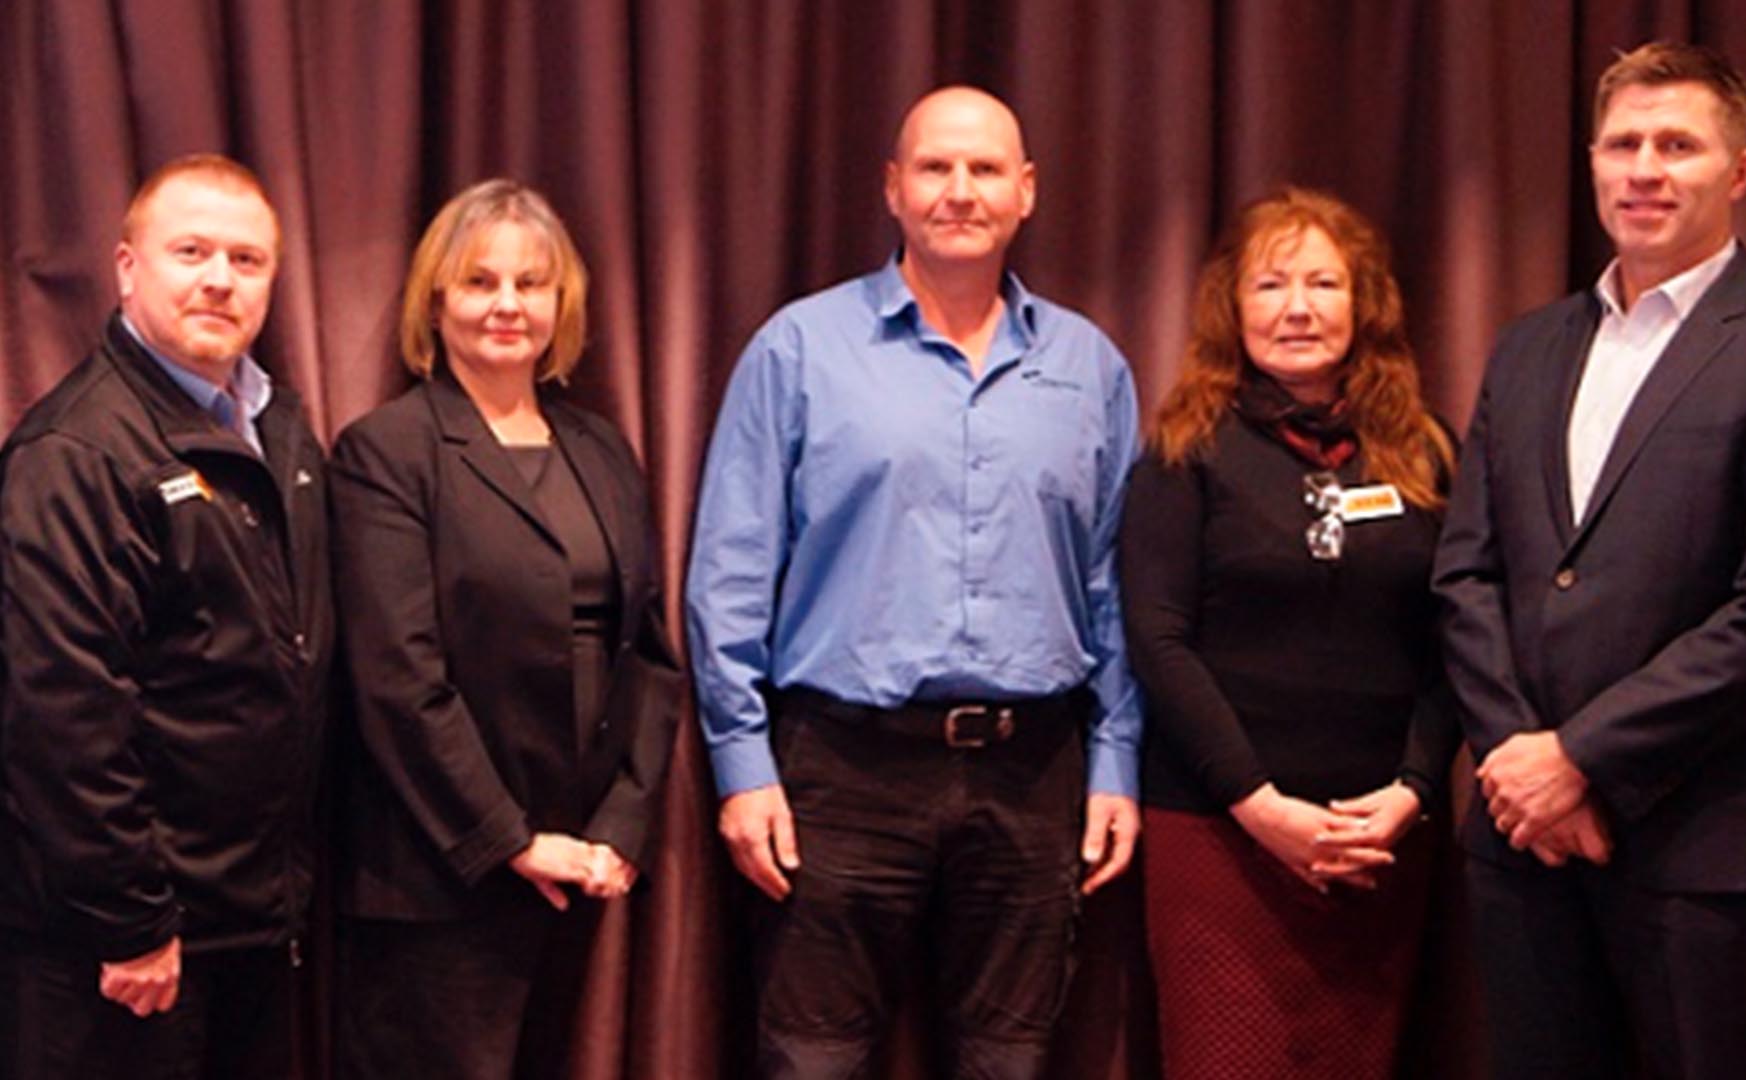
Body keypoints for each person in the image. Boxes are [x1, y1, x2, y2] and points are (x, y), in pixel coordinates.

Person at [1434, 42, 1746, 1079]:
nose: (1644, 169)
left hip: (1712, 844)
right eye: (1623, 143)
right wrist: (1523, 769)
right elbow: (1467, 576)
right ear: (1593, 161)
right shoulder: (1528, 347)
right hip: (1524, 844)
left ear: (1741, 171)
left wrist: (1582, 759)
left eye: (1677, 145)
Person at [685, 85, 1141, 1078]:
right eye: (935, 168)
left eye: (985, 171)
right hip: (839, 773)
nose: (960, 192)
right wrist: (741, 763)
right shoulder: (799, 350)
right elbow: (729, 574)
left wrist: (1116, 760)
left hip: (1036, 777)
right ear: (894, 189)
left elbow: (1113, 588)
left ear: (1026, 193)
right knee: (811, 1061)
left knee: (1008, 1065)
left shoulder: (1091, 368)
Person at [327, 179, 683, 1079]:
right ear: (435, 301)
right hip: (442, 878)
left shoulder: (600, 447)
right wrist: (510, 841)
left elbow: (647, 654)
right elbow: (398, 679)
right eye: (480, 281)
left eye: (531, 283)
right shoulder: (387, 451)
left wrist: (622, 829)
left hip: (579, 868)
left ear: (562, 302)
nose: (507, 305)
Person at [0, 154, 332, 1079]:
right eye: (190, 251)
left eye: (247, 259)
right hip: (124, 950)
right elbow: (60, 714)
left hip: (253, 923)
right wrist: (131, 921)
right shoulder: (75, 452)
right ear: (126, 267)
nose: (220, 279)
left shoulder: (282, 426)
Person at [1119, 185, 1456, 1078]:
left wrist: (1414, 791)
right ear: (1233, 309)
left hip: (1376, 843)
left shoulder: (1426, 454)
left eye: (1323, 284)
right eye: (1271, 285)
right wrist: (1261, 808)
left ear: (1366, 304)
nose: (1297, 308)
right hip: (1221, 838)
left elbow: (1457, 644)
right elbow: (1156, 639)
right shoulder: (1183, 449)